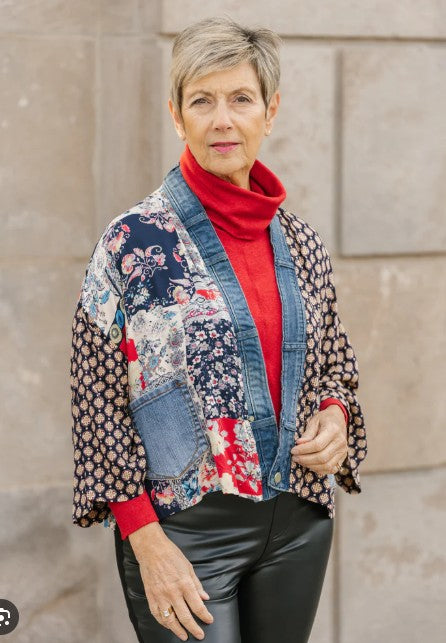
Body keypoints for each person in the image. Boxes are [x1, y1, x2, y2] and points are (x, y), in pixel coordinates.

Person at [70, 16, 367, 643]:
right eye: (202, 101)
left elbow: (334, 364)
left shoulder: (302, 243)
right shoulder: (133, 243)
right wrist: (146, 541)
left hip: (299, 523)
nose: (222, 120)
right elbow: (96, 400)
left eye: (241, 99)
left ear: (270, 111)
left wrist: (335, 415)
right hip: (184, 535)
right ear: (177, 116)